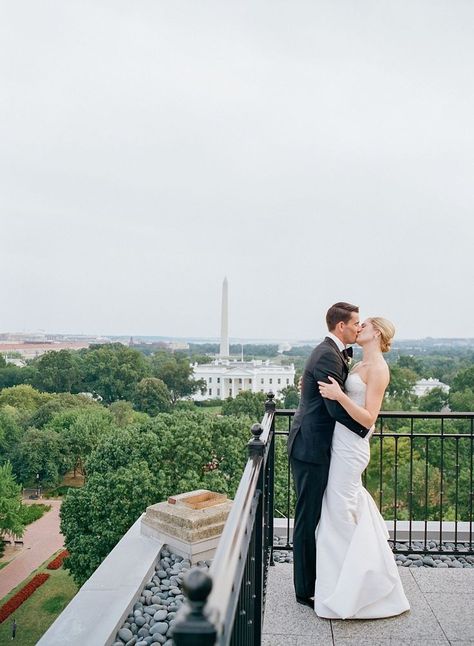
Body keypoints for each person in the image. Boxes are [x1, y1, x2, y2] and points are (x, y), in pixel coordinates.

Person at [314, 317, 410, 619]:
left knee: (339, 507)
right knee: (344, 504)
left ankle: (354, 584)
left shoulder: (379, 370)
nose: (359, 328)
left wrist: (340, 396)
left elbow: (369, 418)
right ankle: (346, 576)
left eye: (364, 325)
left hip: (353, 446)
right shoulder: (356, 365)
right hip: (339, 441)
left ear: (376, 332)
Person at [287, 302, 371, 607]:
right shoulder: (327, 354)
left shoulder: (331, 353)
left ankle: (320, 575)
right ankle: (304, 589)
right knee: (307, 517)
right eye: (356, 323)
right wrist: (365, 428)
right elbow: (332, 407)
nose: (359, 327)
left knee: (319, 513)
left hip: (317, 445)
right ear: (341, 327)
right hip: (310, 448)